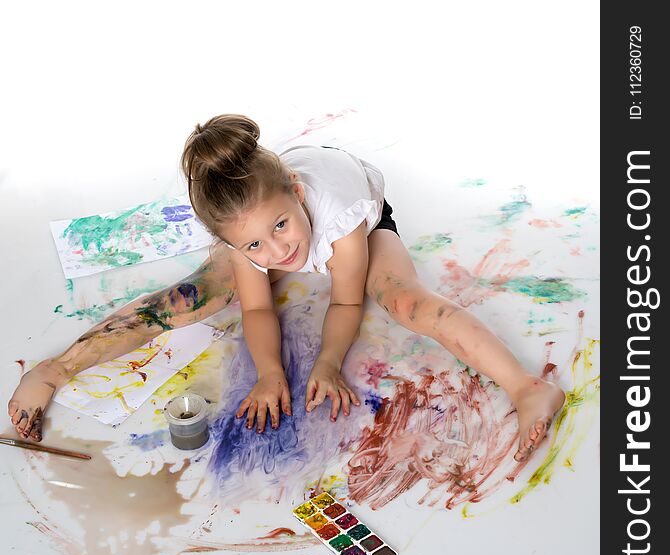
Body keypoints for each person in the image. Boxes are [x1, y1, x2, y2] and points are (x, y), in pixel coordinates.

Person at [7, 114, 565, 461]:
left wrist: (326, 362)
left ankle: (524, 389)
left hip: (360, 214)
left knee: (405, 300)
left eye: (282, 227)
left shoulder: (342, 222)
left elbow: (346, 298)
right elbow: (257, 311)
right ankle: (54, 371)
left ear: (297, 193)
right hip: (254, 209)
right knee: (196, 297)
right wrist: (271, 373)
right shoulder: (252, 241)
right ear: (230, 241)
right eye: (254, 248)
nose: (278, 256)